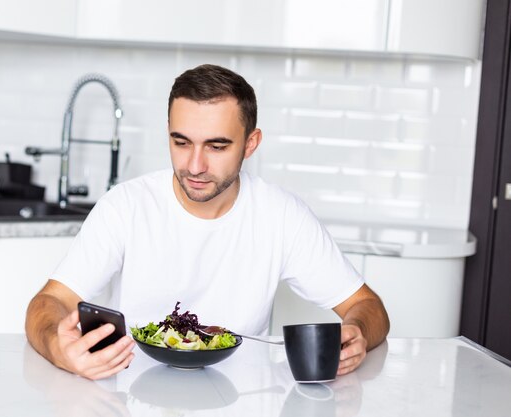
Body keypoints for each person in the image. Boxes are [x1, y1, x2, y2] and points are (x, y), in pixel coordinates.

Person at [25, 64, 390, 381]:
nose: (195, 166)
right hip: (130, 392)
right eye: (181, 142)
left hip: (242, 398)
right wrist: (59, 348)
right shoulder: (125, 207)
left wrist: (356, 332)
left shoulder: (282, 216)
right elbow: (48, 303)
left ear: (250, 143)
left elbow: (368, 307)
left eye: (216, 147)